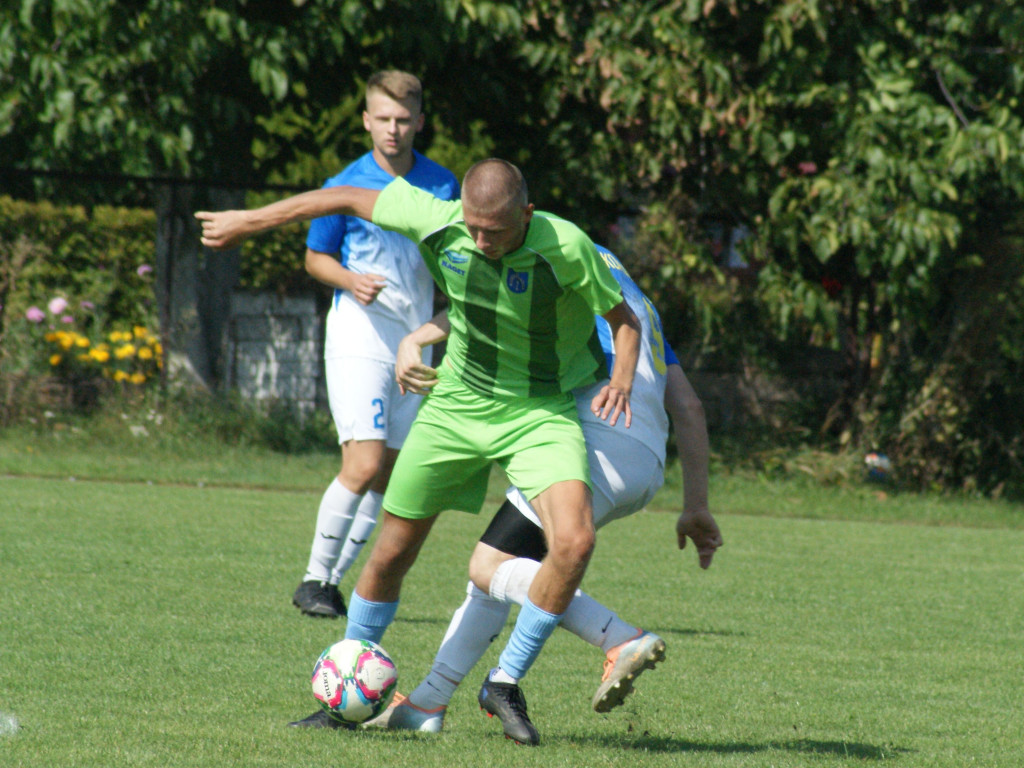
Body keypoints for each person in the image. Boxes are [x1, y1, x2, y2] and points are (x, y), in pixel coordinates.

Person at [196, 158, 642, 746]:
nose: (482, 241)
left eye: (497, 231)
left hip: (539, 412)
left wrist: (622, 381)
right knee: (390, 552)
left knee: (575, 540)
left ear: (527, 216)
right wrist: (250, 220)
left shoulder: (565, 244)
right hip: (455, 406)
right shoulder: (438, 221)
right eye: (474, 227)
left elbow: (624, 319)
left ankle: (504, 681)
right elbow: (348, 197)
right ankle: (345, 698)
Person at [374, 246, 722, 735]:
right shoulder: (637, 300)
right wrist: (696, 506)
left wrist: (418, 336)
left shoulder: (548, 258)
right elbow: (689, 406)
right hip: (642, 462)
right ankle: (427, 703)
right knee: (498, 572)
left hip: (595, 439)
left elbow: (479, 310)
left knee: (488, 564)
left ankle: (618, 637)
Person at [289, 71, 459, 619]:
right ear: (366, 120)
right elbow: (316, 258)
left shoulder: (442, 184)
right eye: (383, 118)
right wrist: (349, 280)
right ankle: (313, 577)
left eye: (404, 119)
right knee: (362, 464)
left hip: (417, 342)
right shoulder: (345, 183)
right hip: (360, 335)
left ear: (420, 122)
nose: (393, 129)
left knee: (392, 473)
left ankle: (332, 585)